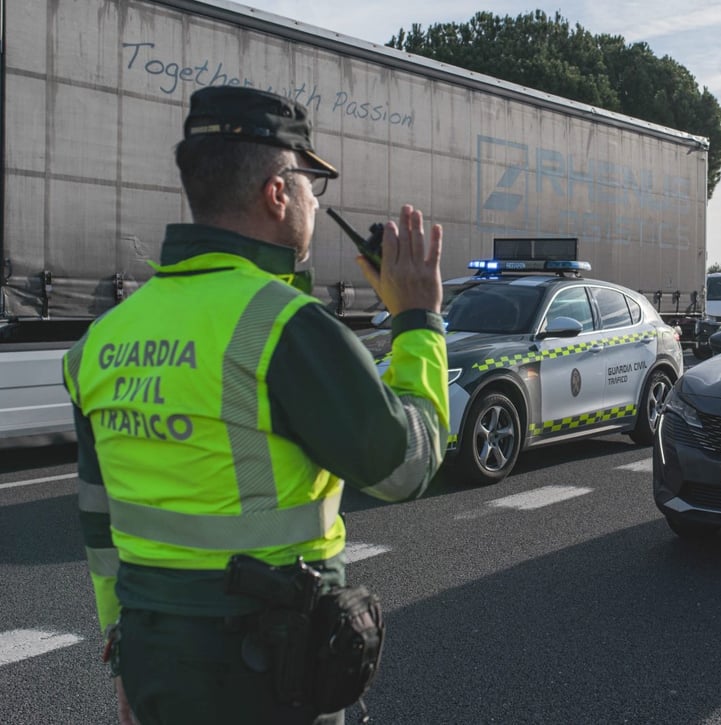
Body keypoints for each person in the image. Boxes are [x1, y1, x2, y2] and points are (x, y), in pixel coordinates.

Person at [63, 86, 449, 725]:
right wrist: (418, 323)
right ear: (278, 192)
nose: (313, 208)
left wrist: (122, 648)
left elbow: (99, 525)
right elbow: (406, 467)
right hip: (272, 673)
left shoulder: (101, 342)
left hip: (156, 662)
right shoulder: (287, 328)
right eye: (309, 188)